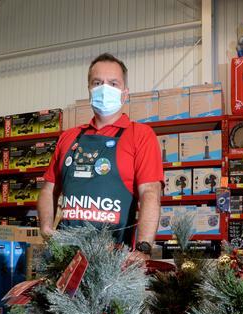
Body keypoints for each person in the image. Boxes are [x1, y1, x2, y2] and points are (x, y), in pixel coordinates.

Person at [38, 53, 163, 257]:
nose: (105, 89)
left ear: (125, 93)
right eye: (98, 82)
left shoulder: (140, 135)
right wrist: (45, 228)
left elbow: (150, 192)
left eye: (113, 83)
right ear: (89, 90)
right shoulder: (69, 137)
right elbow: (48, 189)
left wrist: (143, 247)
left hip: (112, 259)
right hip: (65, 255)